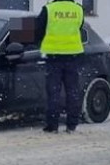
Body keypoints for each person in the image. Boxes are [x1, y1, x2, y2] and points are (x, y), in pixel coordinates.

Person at [36, 0, 85, 133]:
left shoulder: (48, 9)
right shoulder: (78, 9)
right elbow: (79, 27)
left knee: (53, 92)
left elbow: (38, 30)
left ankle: (52, 125)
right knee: (72, 91)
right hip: (73, 56)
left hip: (54, 56)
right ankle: (72, 124)